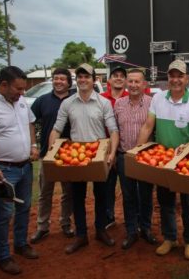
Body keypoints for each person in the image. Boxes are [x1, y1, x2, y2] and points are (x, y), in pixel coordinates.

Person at [49, 63, 119, 254]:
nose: (83, 80)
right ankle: (81, 235)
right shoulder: (68, 103)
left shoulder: (103, 103)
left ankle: (100, 230)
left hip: (98, 154)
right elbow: (56, 128)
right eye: (80, 76)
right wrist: (51, 150)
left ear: (94, 79)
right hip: (76, 156)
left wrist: (112, 153)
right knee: (77, 197)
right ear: (76, 80)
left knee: (101, 195)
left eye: (87, 76)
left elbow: (113, 130)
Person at [137, 59, 189, 260]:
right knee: (165, 202)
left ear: (187, 78)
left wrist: (186, 151)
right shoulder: (158, 99)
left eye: (180, 76)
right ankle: (170, 238)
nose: (175, 80)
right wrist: (137, 151)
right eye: (172, 75)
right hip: (163, 162)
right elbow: (148, 126)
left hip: (187, 163)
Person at [0, 66, 40, 275]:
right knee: (4, 213)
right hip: (3, 170)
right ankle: (3, 256)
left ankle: (20, 243)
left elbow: (30, 125)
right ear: (3, 85)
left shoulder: (21, 103)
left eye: (24, 89)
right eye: (18, 89)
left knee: (25, 207)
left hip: (25, 167)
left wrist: (34, 146)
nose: (22, 93)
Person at [113, 67, 157, 249]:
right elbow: (115, 131)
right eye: (129, 81)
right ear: (125, 83)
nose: (133, 85)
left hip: (146, 157)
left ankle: (146, 228)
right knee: (128, 195)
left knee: (146, 194)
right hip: (124, 156)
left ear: (144, 84)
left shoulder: (152, 103)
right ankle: (132, 231)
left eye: (137, 81)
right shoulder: (119, 104)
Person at [30, 68, 75, 244]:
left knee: (68, 192)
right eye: (56, 78)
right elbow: (30, 121)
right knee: (44, 193)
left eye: (62, 79)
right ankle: (42, 227)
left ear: (69, 82)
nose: (58, 82)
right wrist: (34, 144)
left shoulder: (75, 100)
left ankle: (65, 223)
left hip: (70, 155)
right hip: (46, 154)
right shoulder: (42, 100)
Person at [100, 66, 128, 229]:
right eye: (115, 75)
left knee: (128, 189)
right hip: (106, 151)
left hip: (124, 150)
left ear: (125, 81)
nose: (118, 78)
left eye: (121, 76)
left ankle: (131, 219)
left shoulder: (130, 97)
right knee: (107, 187)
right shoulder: (101, 99)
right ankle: (108, 217)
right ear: (109, 80)